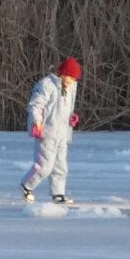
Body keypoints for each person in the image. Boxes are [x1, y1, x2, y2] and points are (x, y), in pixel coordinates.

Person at [21, 55, 81, 203]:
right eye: (70, 77)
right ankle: (26, 185)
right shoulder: (47, 85)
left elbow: (64, 109)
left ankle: (58, 193)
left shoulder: (70, 88)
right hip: (47, 133)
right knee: (45, 166)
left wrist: (71, 117)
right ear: (62, 73)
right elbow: (36, 105)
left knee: (61, 166)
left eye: (74, 79)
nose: (71, 81)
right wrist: (37, 122)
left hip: (63, 133)